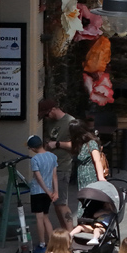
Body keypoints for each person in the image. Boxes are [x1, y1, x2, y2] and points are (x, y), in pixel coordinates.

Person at [39, 98, 76, 229]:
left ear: (53, 109)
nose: (47, 117)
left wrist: (58, 144)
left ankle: (70, 233)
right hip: (50, 167)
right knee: (56, 203)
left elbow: (77, 146)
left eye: (47, 114)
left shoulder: (70, 122)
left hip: (62, 167)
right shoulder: (50, 123)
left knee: (61, 203)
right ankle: (65, 232)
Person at [28, 134, 59, 253]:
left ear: (33, 148)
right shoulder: (52, 156)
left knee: (39, 218)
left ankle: (42, 243)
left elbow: (38, 178)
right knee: (46, 217)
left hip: (37, 191)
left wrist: (47, 191)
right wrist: (54, 192)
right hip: (49, 192)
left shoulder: (34, 159)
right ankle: (52, 242)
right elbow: (54, 176)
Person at [71, 123, 107, 192]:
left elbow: (97, 160)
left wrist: (101, 177)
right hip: (82, 177)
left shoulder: (91, 143)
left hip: (91, 176)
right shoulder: (79, 144)